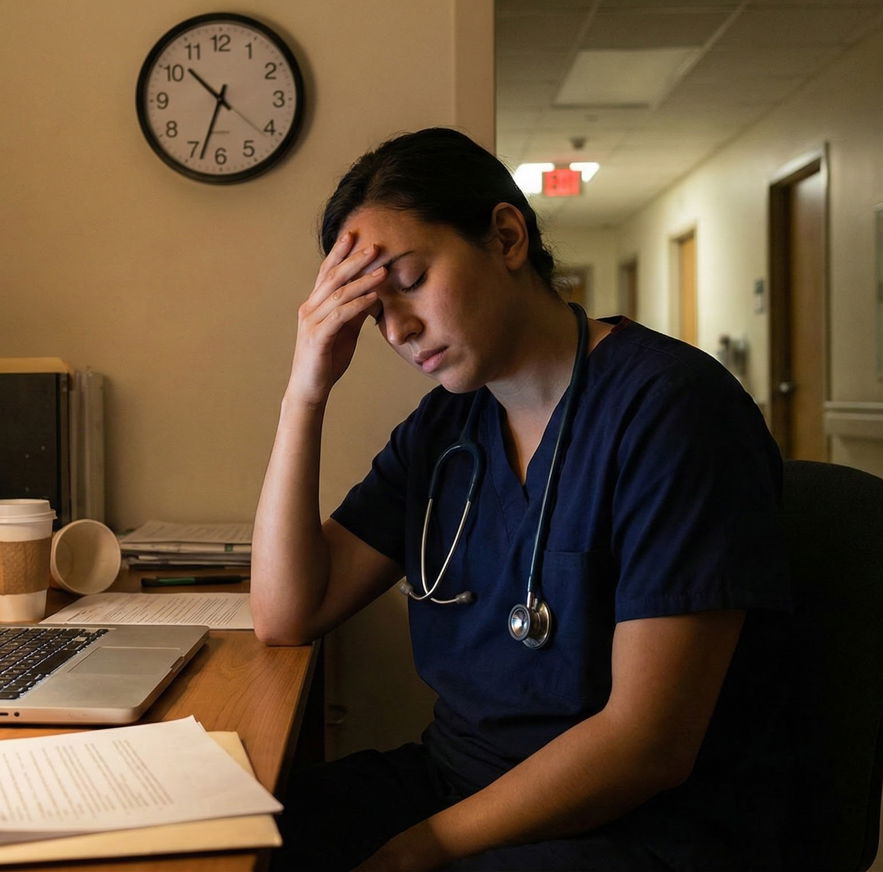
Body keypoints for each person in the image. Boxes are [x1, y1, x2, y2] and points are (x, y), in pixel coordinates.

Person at [250, 127, 794, 872]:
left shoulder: (672, 411)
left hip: (629, 824)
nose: (399, 330)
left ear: (506, 236)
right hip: (456, 782)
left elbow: (648, 744)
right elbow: (287, 615)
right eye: (373, 313)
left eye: (407, 282)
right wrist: (304, 390)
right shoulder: (449, 425)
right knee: (241, 838)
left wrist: (420, 849)